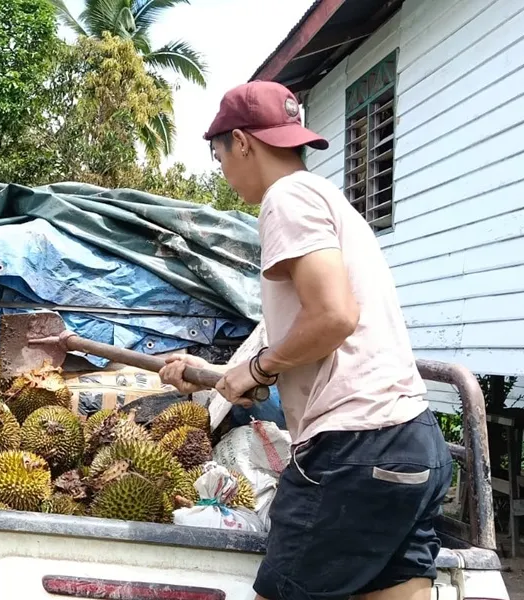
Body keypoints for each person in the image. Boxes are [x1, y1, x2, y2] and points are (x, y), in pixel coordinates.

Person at [159, 80, 453, 600]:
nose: (222, 168)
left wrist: (259, 371)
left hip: (354, 447)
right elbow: (300, 328)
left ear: (243, 142)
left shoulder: (286, 198)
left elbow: (334, 316)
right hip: (412, 442)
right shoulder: (325, 198)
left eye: (218, 152)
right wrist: (230, 371)